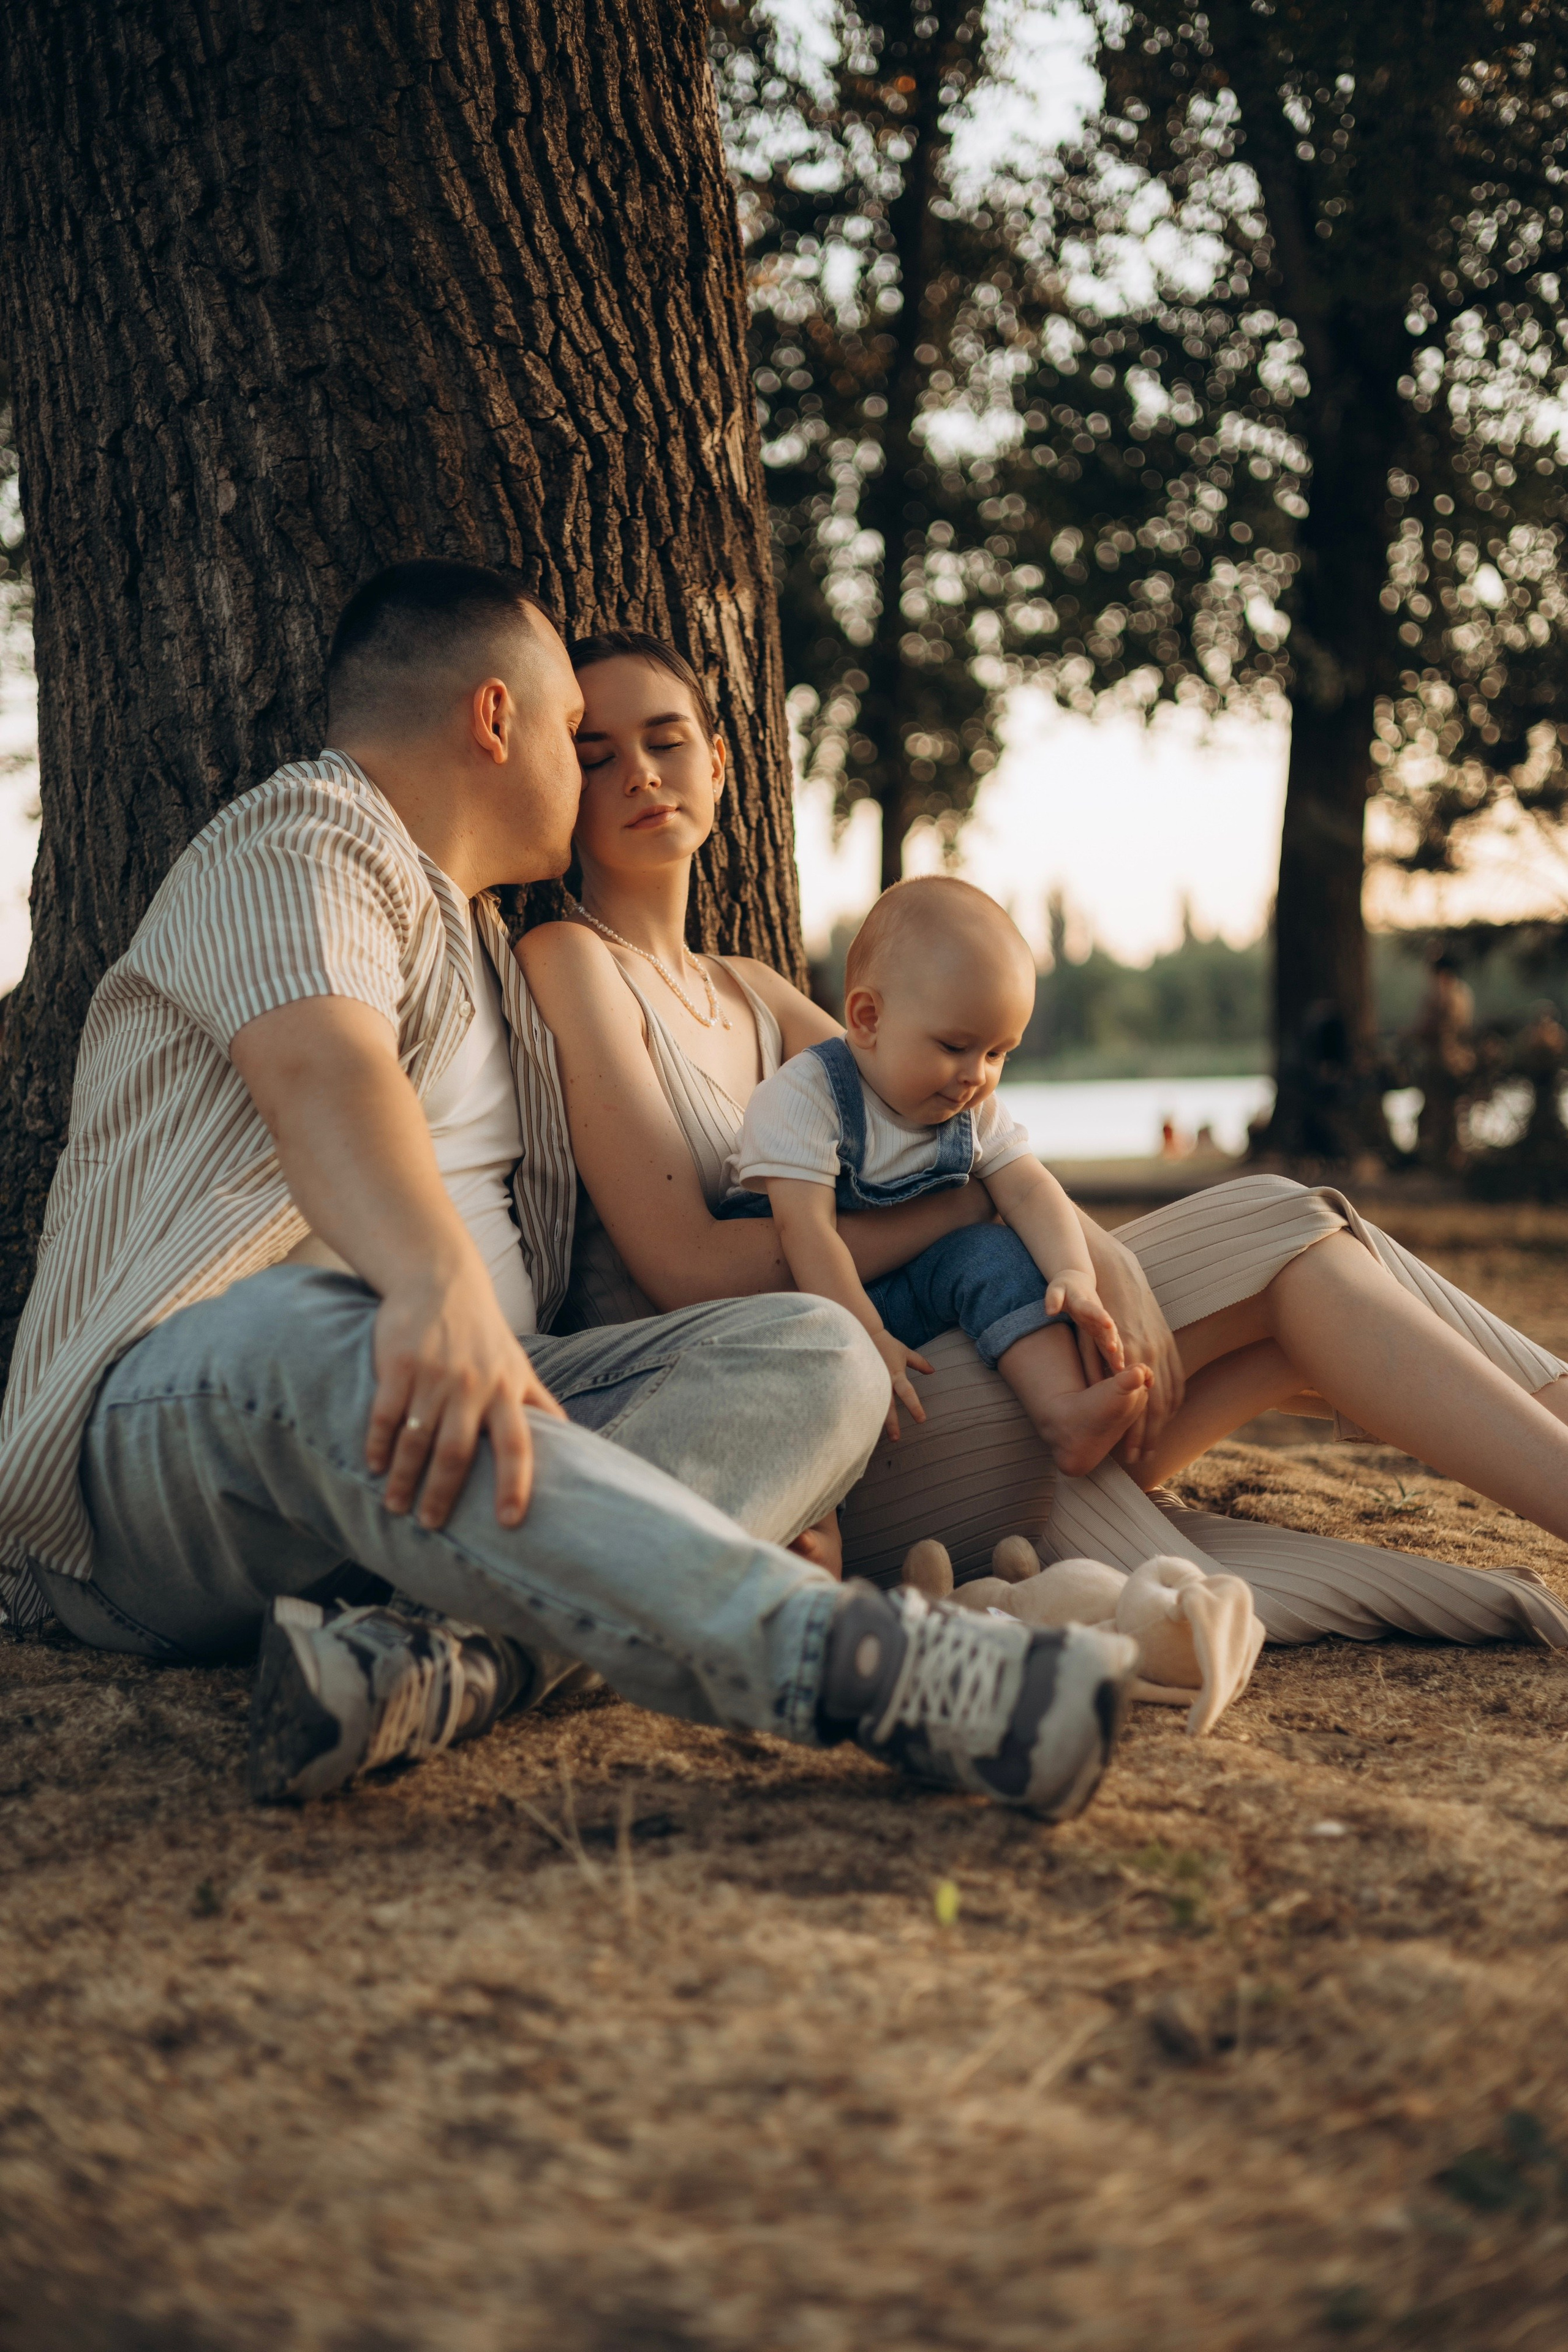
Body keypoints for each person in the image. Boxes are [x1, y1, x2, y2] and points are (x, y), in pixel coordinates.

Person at [0, 564, 1140, 1823]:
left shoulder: (495, 957)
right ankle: (851, 1665)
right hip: (170, 1451)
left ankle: (446, 1660)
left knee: (819, 1353)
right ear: (496, 721)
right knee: (315, 1318)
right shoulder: (305, 836)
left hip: (442, 1467)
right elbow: (321, 1072)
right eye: (571, 738)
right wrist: (431, 1286)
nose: (598, 771)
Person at [518, 628, 1568, 1650]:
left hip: (948, 1384)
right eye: (595, 755)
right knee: (1280, 1228)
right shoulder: (570, 959)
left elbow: (967, 1132)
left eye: (665, 741)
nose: (641, 776)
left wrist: (1092, 1250)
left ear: (718, 759)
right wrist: (965, 1211)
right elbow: (687, 1270)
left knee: (1303, 1262)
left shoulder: (749, 988)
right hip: (832, 1441)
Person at [721, 875, 1152, 1472]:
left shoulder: (970, 1107)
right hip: (815, 1296)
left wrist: (1074, 1272)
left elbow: (1027, 1187)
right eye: (955, 1046)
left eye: (998, 1053)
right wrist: (868, 1334)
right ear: (868, 1018)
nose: (976, 1075)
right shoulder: (805, 1096)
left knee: (993, 1251)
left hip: (913, 1285)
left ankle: (1062, 1414)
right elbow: (806, 1235)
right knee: (807, 1337)